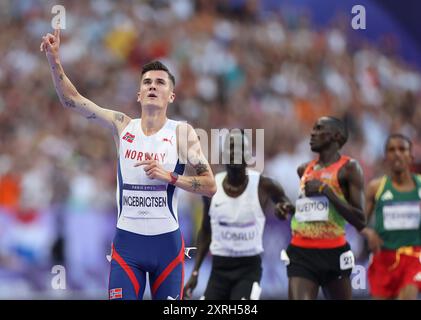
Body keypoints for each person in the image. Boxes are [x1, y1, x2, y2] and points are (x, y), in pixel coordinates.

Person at [40, 29, 216, 300]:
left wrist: (170, 176)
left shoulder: (182, 133)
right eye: (147, 82)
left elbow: (210, 185)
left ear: (171, 96)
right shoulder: (122, 125)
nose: (153, 86)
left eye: (160, 82)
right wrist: (54, 60)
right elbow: (71, 100)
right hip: (128, 246)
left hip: (167, 247)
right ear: (138, 95)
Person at [183, 130, 294, 300]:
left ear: (249, 156)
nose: (234, 153)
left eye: (240, 149)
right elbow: (206, 231)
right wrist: (195, 272)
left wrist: (283, 210)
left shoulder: (264, 185)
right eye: (230, 149)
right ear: (222, 156)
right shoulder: (212, 187)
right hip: (219, 269)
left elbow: (287, 206)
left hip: (248, 269)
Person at [278, 116, 366, 300]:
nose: (312, 133)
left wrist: (327, 191)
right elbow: (311, 210)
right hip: (301, 252)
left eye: (319, 129)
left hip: (334, 252)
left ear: (336, 135)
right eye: (313, 129)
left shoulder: (349, 169)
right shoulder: (304, 169)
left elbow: (360, 220)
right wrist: (289, 209)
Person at [362, 134, 421, 300]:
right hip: (384, 258)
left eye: (402, 149)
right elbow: (360, 222)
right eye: (391, 150)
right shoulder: (376, 187)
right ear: (385, 157)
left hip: (414, 256)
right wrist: (369, 233)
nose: (397, 154)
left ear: (411, 156)